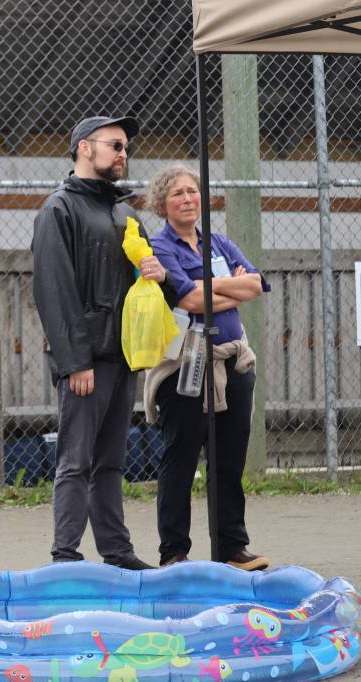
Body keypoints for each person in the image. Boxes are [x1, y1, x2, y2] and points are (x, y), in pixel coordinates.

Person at [31, 116, 172, 570]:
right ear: (84, 149)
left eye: (126, 147)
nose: (122, 154)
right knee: (76, 460)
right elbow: (54, 291)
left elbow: (149, 285)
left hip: (123, 356)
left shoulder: (124, 213)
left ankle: (118, 553)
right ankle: (64, 557)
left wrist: (158, 276)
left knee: (110, 461)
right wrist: (75, 363)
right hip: (87, 360)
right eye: (114, 145)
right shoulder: (58, 209)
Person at [143, 165, 270, 571]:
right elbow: (188, 300)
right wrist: (226, 288)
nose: (187, 199)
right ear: (163, 203)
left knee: (229, 459)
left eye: (192, 191)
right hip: (187, 364)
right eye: (177, 193)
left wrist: (212, 289)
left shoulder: (218, 242)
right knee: (180, 457)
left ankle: (232, 549)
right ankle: (174, 553)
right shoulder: (160, 248)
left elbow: (255, 284)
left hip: (233, 360)